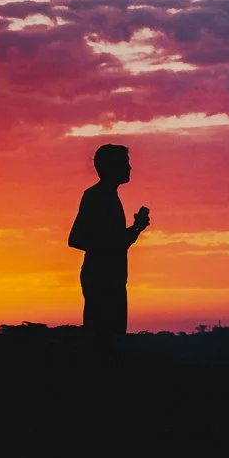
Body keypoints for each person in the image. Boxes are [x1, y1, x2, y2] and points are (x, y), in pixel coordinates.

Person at [68, 143, 150, 341]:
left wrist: (136, 229)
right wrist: (123, 237)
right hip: (101, 280)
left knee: (113, 340)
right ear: (109, 168)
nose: (130, 168)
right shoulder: (96, 196)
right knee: (104, 342)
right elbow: (76, 239)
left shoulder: (109, 196)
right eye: (125, 163)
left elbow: (117, 243)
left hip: (112, 278)